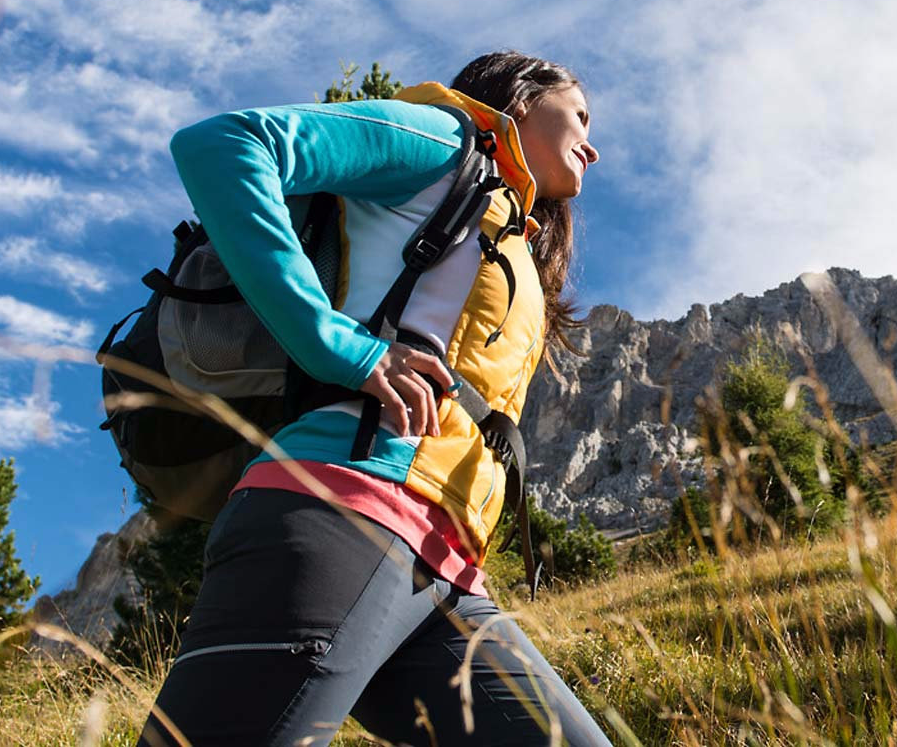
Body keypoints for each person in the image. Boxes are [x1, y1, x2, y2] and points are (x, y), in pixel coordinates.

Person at [138, 51, 610, 747]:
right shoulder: (442, 141)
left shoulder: (507, 223)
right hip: (342, 510)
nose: (592, 145)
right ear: (522, 97)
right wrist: (338, 345)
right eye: (580, 114)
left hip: (444, 576)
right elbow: (224, 143)